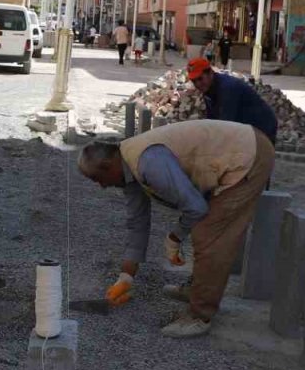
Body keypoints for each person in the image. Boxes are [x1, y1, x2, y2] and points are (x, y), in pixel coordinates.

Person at [77, 119, 276, 338]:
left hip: (247, 156)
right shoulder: (128, 167)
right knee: (204, 228)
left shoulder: (148, 163)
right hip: (235, 150)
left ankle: (200, 315)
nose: (103, 186)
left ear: (108, 166)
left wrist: (175, 236)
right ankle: (197, 289)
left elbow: (195, 207)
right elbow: (137, 223)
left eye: (98, 179)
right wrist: (126, 276)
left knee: (210, 235)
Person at [186, 58, 278, 143]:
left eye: (200, 79)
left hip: (262, 127)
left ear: (210, 73)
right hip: (245, 127)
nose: (198, 84)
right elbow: (213, 121)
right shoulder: (208, 88)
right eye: (194, 81)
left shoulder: (227, 88)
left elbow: (226, 125)